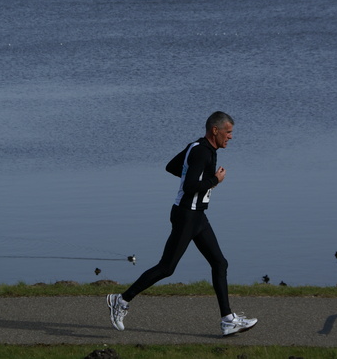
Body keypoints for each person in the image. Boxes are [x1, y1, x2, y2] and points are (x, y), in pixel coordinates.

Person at [107, 111, 257, 336]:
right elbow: (189, 186)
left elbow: (172, 167)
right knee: (167, 268)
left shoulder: (199, 147)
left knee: (220, 263)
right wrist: (214, 180)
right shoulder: (201, 152)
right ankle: (121, 300)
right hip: (187, 216)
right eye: (228, 132)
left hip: (197, 216)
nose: (231, 137)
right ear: (215, 131)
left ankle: (228, 320)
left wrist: (202, 181)